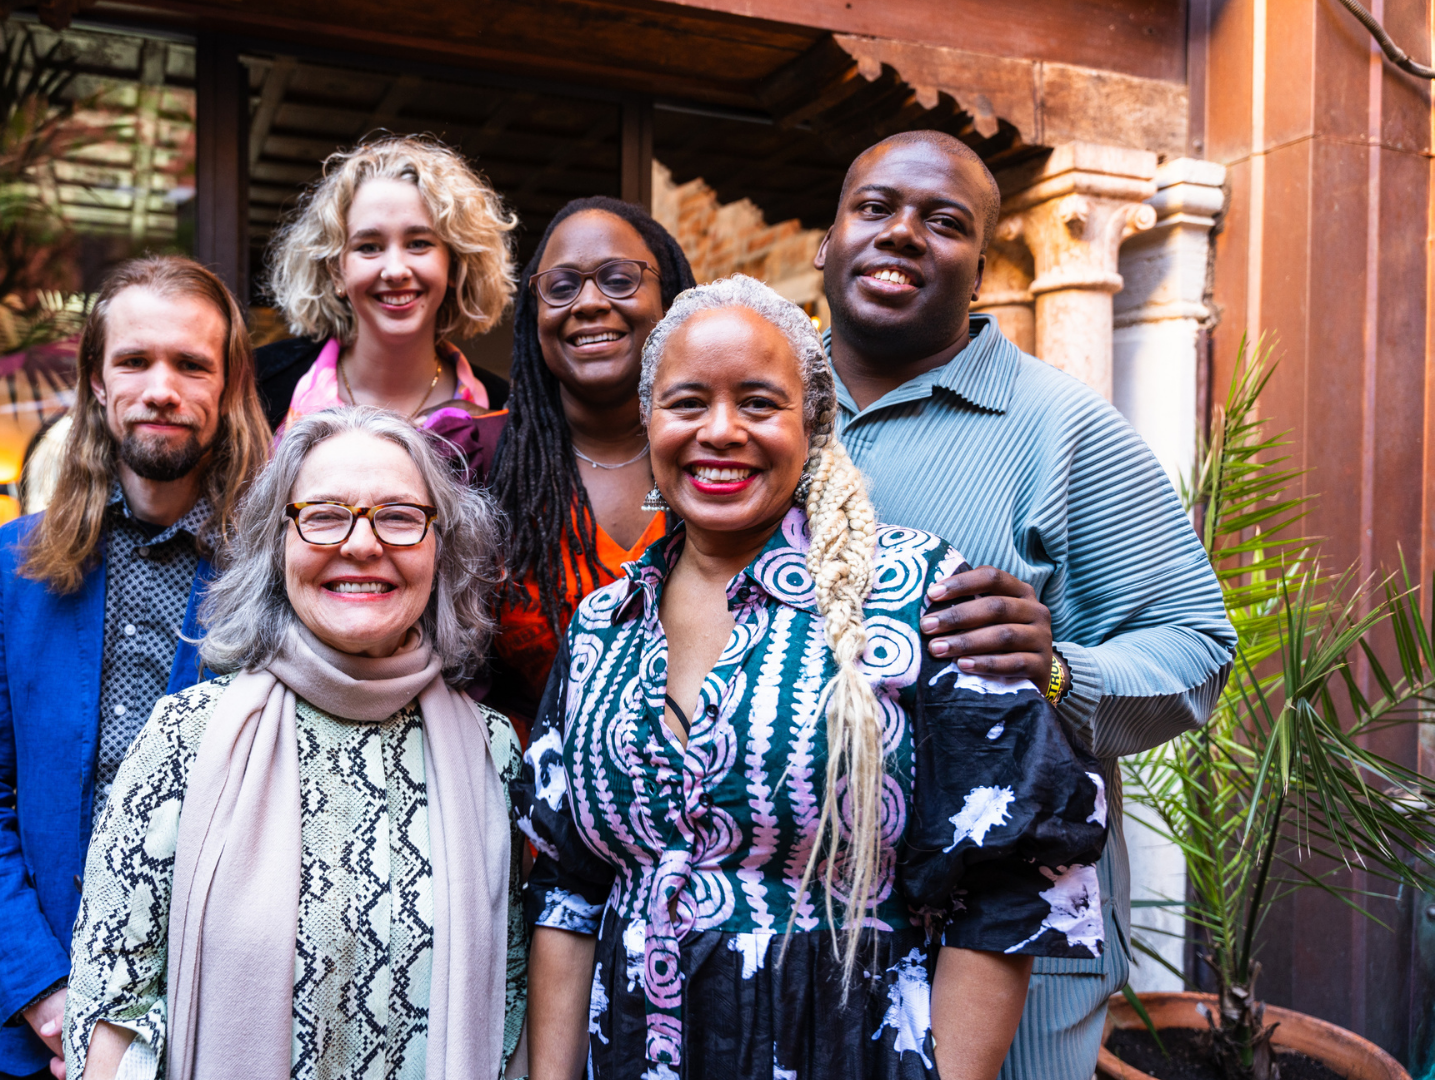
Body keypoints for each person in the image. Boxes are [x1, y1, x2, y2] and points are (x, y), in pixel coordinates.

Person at [517, 275, 1110, 1080]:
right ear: (648, 421)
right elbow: (567, 886)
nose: (720, 431)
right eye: (688, 403)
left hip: (843, 1048)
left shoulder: (916, 598)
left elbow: (1010, 880)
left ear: (814, 424)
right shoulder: (600, 627)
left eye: (759, 403)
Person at [812, 130, 1236, 1080]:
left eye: (946, 222)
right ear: (827, 241)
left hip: (1006, 941)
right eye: (875, 209)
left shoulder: (1064, 428)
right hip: (793, 927)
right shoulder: (761, 412)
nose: (904, 234)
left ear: (981, 264)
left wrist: (1057, 668)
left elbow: (1197, 646)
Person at [61, 406, 527, 1080]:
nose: (363, 545)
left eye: (399, 516)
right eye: (324, 515)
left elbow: (511, 1004)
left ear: (441, 548)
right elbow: (112, 1007)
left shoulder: (492, 754)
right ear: (277, 545)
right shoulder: (183, 740)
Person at [0, 255, 273, 1080]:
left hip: (211, 1023)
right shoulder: (17, 566)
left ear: (227, 385)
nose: (162, 388)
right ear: (95, 379)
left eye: (191, 364)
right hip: (31, 1028)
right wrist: (49, 998)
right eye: (135, 361)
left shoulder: (276, 569)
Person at [485, 196, 695, 726]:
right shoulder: (478, 462)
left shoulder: (726, 452)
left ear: (668, 297)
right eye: (561, 287)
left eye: (619, 278)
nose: (588, 302)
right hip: (527, 796)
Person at [256, 135, 517, 434]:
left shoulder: (505, 414)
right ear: (336, 271)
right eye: (368, 246)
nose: (395, 270)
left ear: (454, 265)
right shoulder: (259, 386)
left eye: (419, 243)